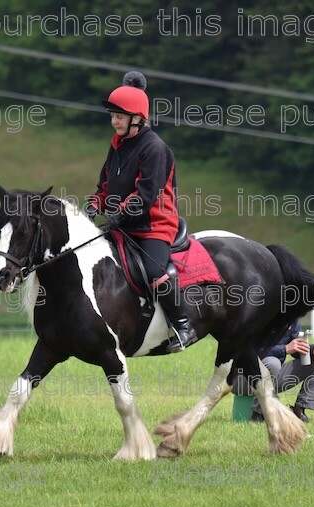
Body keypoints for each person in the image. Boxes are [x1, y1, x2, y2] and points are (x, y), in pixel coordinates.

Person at [85, 71, 196, 353]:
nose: (114, 121)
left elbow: (146, 194)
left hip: (153, 226)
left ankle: (183, 325)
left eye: (119, 116)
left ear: (137, 117)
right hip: (122, 225)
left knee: (153, 271)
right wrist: (95, 204)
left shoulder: (155, 149)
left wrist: (119, 214)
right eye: (112, 115)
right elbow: (106, 184)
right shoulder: (118, 145)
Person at [241, 321, 314, 423]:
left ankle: (299, 411)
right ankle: (258, 414)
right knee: (273, 363)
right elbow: (248, 350)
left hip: (271, 377)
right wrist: (285, 349)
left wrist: (313, 350)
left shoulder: (291, 320)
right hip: (243, 378)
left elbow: (296, 348)